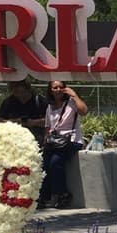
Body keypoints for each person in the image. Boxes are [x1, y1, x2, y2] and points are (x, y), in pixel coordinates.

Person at [39, 80, 88, 209]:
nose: (58, 89)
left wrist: (74, 95)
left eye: (61, 87)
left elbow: (84, 111)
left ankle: (61, 194)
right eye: (55, 87)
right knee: (44, 164)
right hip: (54, 142)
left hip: (71, 141)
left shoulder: (71, 103)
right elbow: (48, 127)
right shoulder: (49, 107)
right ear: (50, 90)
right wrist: (45, 143)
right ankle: (43, 196)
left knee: (56, 162)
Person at [0, 79, 45, 144]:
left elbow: (50, 121)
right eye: (13, 88)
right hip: (14, 141)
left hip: (36, 140)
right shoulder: (8, 102)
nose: (15, 90)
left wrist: (33, 122)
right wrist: (17, 122)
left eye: (18, 86)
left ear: (27, 87)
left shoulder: (39, 101)